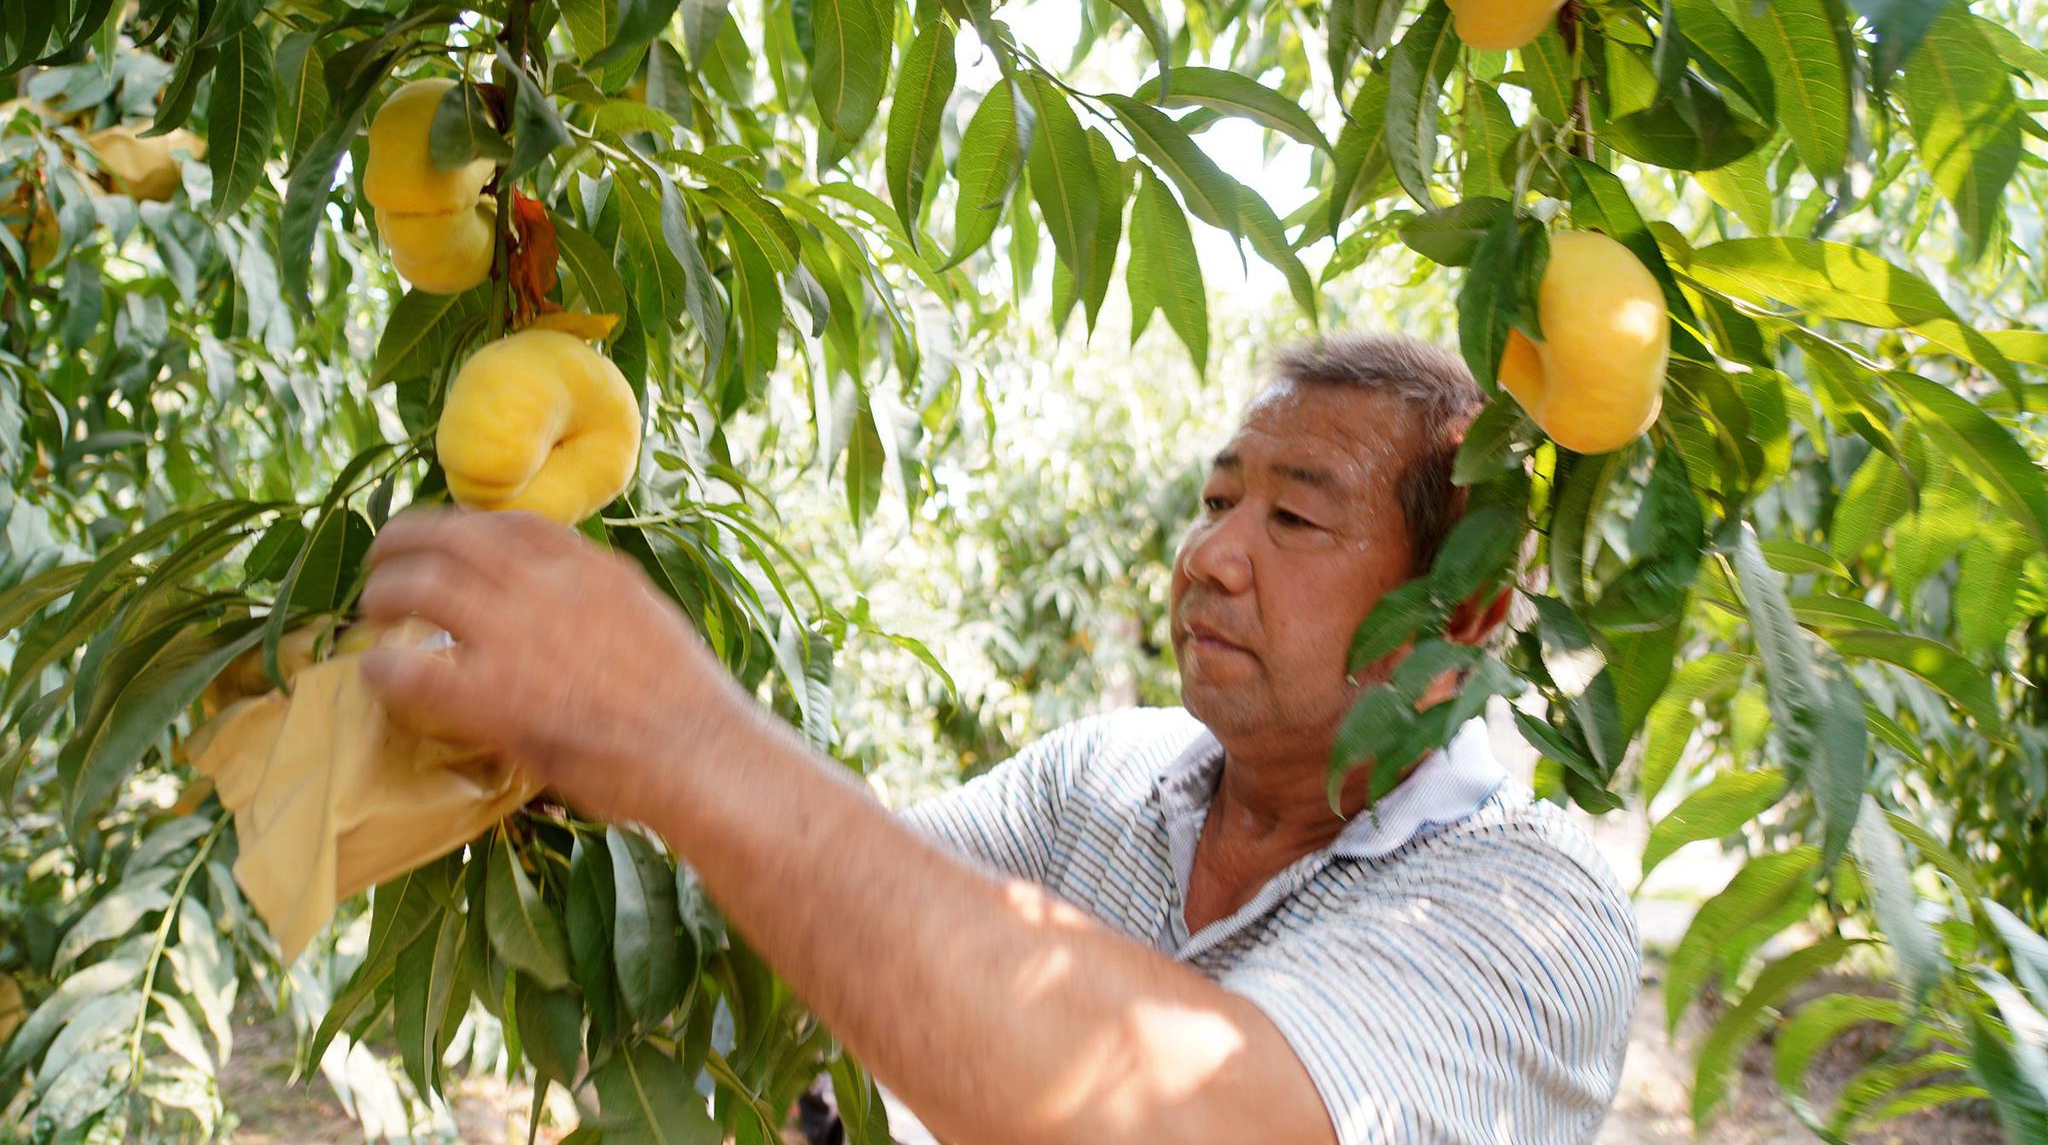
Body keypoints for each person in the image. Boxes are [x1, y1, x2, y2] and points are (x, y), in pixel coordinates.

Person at [358, 332, 1640, 1144]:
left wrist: (680, 729)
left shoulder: (1527, 911)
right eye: (1214, 500)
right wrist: (557, 771)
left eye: (1294, 522)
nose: (1209, 557)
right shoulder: (1111, 780)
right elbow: (840, 910)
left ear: (1458, 604)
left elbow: (1182, 1120)